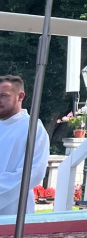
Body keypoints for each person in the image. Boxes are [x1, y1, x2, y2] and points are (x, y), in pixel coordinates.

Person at [0, 75, 50, 216]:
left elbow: (33, 172)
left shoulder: (33, 128)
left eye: (4, 95)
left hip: (14, 209)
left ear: (20, 96)